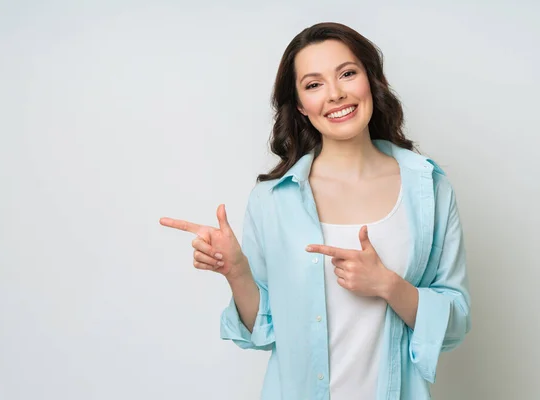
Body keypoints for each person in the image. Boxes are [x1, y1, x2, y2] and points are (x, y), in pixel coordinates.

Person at [160, 22, 471, 400]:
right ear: (301, 107)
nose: (336, 94)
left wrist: (388, 285)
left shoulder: (429, 187)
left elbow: (454, 324)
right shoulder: (272, 199)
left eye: (347, 73)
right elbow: (263, 333)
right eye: (313, 84)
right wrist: (236, 271)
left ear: (371, 81)